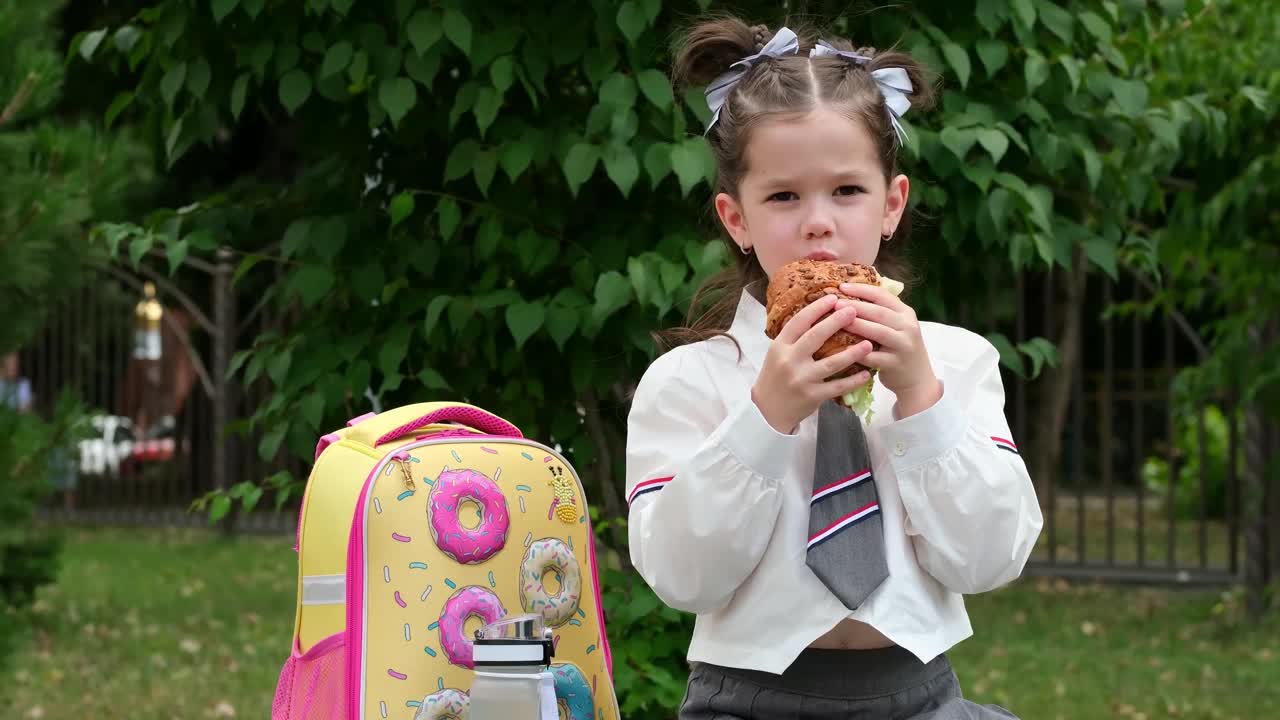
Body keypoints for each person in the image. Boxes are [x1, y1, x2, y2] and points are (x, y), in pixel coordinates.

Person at [624, 17, 1043, 720]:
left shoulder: (956, 362)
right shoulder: (689, 382)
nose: (817, 222)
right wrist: (765, 419)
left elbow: (989, 559)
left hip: (920, 696)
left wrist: (920, 397)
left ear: (892, 205)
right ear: (737, 219)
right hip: (746, 700)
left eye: (847, 190)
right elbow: (681, 577)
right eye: (784, 197)